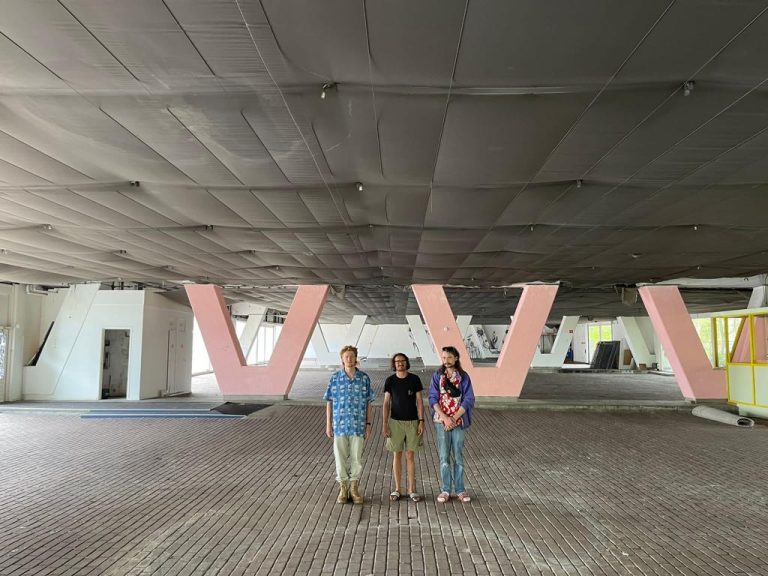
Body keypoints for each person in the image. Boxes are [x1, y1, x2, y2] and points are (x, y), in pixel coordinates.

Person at [324, 345, 374, 504]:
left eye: (352, 356)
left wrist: (368, 424)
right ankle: (343, 488)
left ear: (356, 358)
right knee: (339, 457)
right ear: (342, 359)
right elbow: (329, 402)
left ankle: (354, 488)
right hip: (339, 425)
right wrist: (328, 424)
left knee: (356, 458)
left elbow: (369, 402)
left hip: (358, 425)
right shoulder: (335, 378)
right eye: (346, 357)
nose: (349, 359)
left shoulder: (364, 378)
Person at [429, 345, 476, 503]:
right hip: (441, 421)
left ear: (456, 358)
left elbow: (469, 399)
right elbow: (432, 398)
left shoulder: (463, 377)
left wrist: (454, 418)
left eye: (449, 357)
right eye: (444, 357)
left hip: (458, 421)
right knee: (444, 457)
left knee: (458, 457)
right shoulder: (437, 376)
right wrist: (445, 418)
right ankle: (446, 490)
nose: (446, 360)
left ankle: (460, 489)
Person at [382, 353, 425, 503]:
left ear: (406, 362)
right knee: (397, 456)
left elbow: (420, 402)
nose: (400, 363)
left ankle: (412, 489)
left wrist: (421, 421)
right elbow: (386, 403)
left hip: (413, 422)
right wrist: (385, 424)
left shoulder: (415, 379)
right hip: (395, 422)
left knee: (410, 456)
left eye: (402, 361)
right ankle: (397, 489)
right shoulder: (390, 381)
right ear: (394, 364)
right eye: (397, 361)